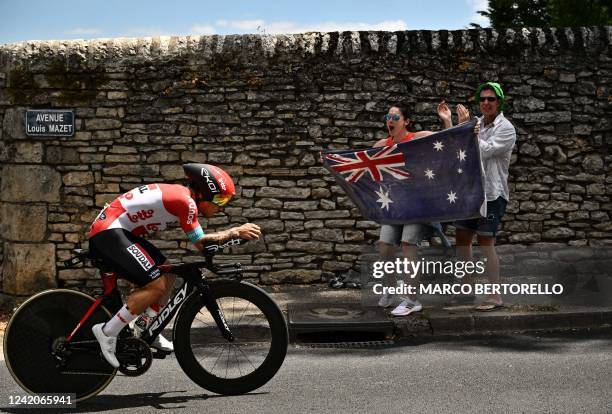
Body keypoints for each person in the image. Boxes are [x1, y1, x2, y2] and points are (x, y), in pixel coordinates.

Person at [89, 164, 262, 368]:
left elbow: (203, 246)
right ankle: (107, 332)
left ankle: (146, 329)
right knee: (155, 285)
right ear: (204, 193)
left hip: (119, 231)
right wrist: (234, 233)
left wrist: (230, 238)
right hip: (109, 232)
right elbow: (201, 243)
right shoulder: (185, 202)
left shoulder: (184, 197)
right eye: (220, 200)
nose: (221, 207)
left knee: (168, 273)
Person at [444, 82, 516, 311]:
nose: (486, 103)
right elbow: (459, 149)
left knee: (486, 243)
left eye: (491, 99)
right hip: (470, 192)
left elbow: (483, 151)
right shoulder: (476, 125)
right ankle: (467, 290)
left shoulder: (506, 128)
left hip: (492, 194)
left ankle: (495, 296)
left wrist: (466, 127)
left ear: (499, 102)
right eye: (483, 99)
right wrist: (453, 123)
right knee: (462, 241)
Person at [375, 104, 450, 316]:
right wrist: (329, 161)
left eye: (395, 116)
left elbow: (447, 140)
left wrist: (446, 119)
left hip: (418, 204)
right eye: (387, 116)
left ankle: (411, 299)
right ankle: (390, 289)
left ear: (406, 121)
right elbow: (357, 162)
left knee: (408, 245)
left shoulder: (418, 137)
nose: (389, 119)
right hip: (396, 206)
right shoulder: (382, 144)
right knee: (385, 245)